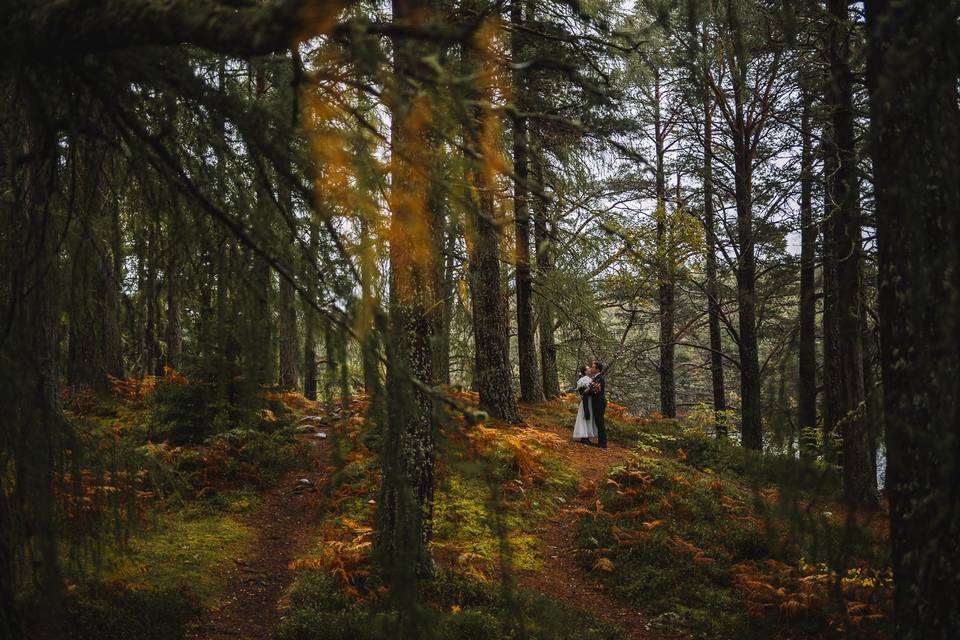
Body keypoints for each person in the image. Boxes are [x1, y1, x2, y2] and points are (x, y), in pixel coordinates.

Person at [572, 366, 596, 444]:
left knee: (589, 416)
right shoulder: (582, 380)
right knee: (584, 416)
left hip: (590, 401)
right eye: (588, 368)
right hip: (586, 401)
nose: (590, 369)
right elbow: (582, 391)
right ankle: (583, 436)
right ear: (585, 371)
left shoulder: (591, 379)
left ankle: (587, 436)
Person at [589, 362, 607, 448]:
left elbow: (595, 389)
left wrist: (586, 391)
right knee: (598, 421)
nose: (591, 369)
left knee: (600, 422)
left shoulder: (600, 378)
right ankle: (601, 442)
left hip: (599, 402)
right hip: (597, 402)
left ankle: (603, 443)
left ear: (597, 369)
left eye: (593, 367)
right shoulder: (596, 377)